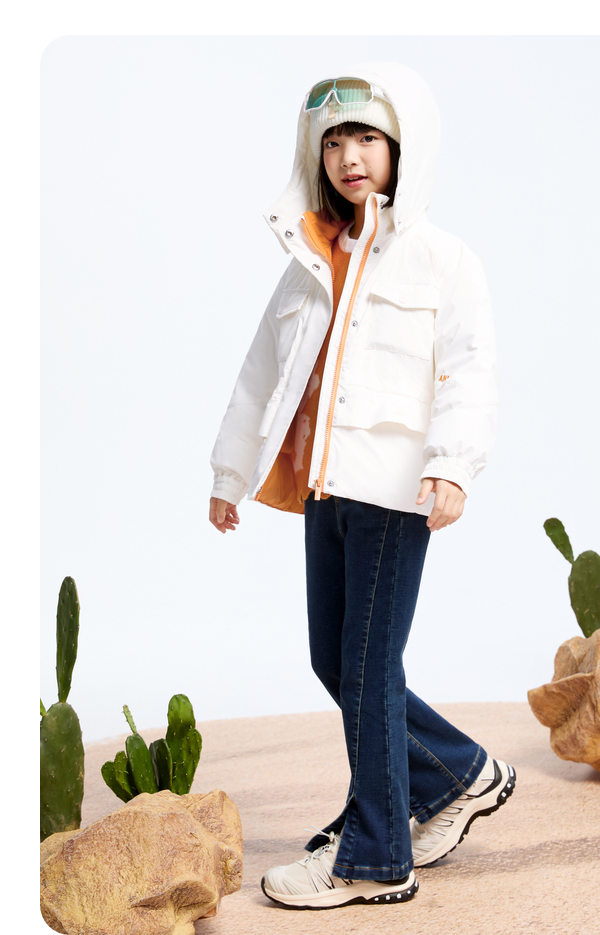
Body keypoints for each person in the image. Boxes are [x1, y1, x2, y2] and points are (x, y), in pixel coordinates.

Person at [208, 63, 515, 910]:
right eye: (334, 141)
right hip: (324, 488)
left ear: (402, 147)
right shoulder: (311, 256)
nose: (349, 157)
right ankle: (458, 775)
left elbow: (470, 372)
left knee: (369, 666)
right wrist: (231, 471)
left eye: (367, 138)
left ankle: (377, 855)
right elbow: (261, 373)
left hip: (392, 490)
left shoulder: (443, 260)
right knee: (334, 660)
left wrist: (452, 465)